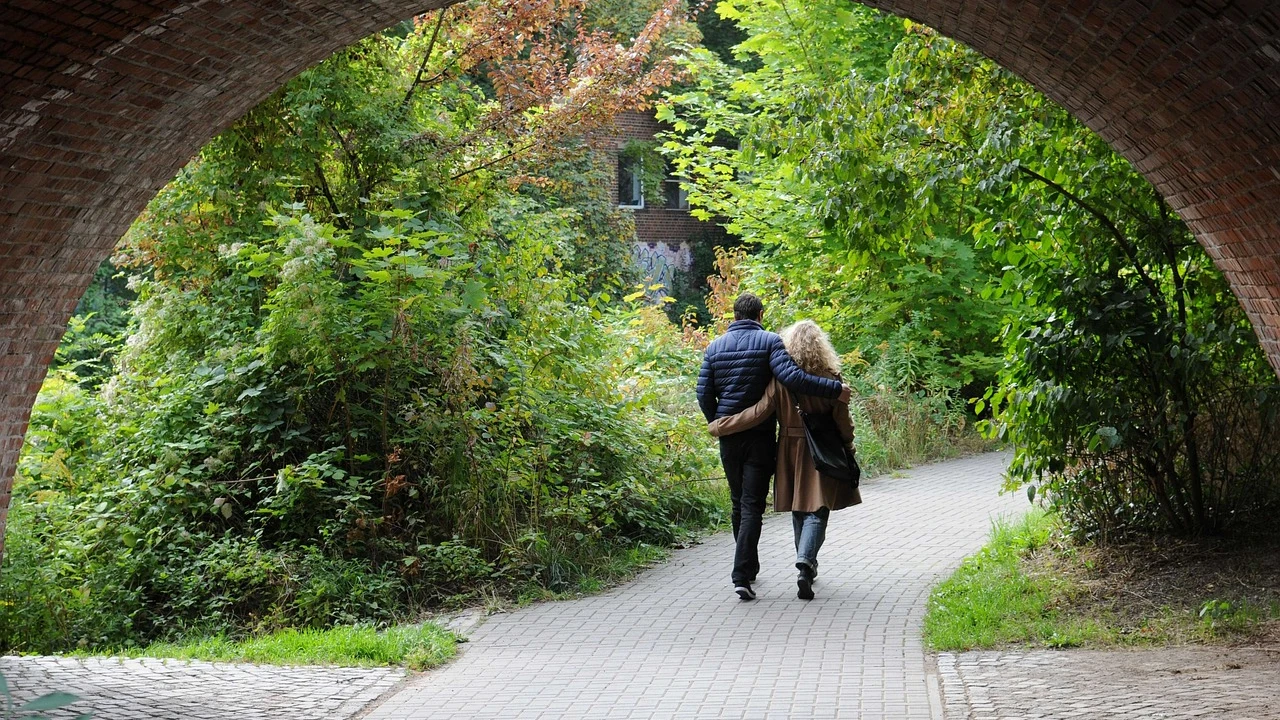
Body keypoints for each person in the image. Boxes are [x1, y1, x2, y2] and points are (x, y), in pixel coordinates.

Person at [697, 294, 851, 601]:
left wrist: (718, 421)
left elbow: (704, 392)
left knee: (739, 501)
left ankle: (748, 570)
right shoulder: (769, 342)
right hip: (763, 438)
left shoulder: (714, 347)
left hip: (736, 436)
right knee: (755, 504)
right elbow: (793, 377)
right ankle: (752, 572)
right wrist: (836, 389)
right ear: (760, 314)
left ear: (734, 315)